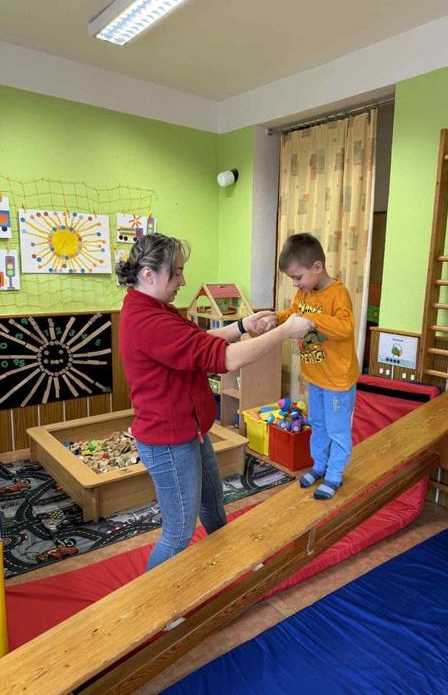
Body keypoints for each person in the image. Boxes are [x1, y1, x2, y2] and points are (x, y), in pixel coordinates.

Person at [117, 233, 312, 574]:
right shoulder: (147, 320)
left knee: (213, 504)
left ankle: (229, 562)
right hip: (168, 442)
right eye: (177, 273)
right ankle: (148, 599)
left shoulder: (155, 309)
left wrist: (243, 325)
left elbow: (198, 341)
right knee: (178, 533)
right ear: (148, 274)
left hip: (191, 432)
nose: (182, 281)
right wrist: (283, 332)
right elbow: (227, 359)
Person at [255, 232, 360, 500]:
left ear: (317, 267)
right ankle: (319, 466)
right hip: (316, 376)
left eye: (298, 277)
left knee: (337, 430)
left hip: (337, 380)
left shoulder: (337, 293)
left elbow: (345, 327)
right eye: (292, 279)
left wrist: (313, 320)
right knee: (318, 424)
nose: (296, 284)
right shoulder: (304, 293)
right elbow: (294, 314)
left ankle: (335, 475)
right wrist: (276, 319)